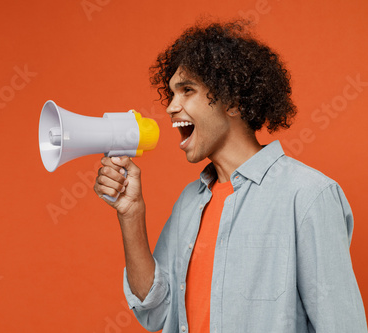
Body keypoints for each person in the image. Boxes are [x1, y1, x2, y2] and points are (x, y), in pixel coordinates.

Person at [93, 19, 367, 332]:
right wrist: (131, 213)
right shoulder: (189, 203)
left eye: (187, 90)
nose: (171, 107)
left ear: (233, 101)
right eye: (171, 94)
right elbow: (156, 313)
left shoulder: (307, 196)